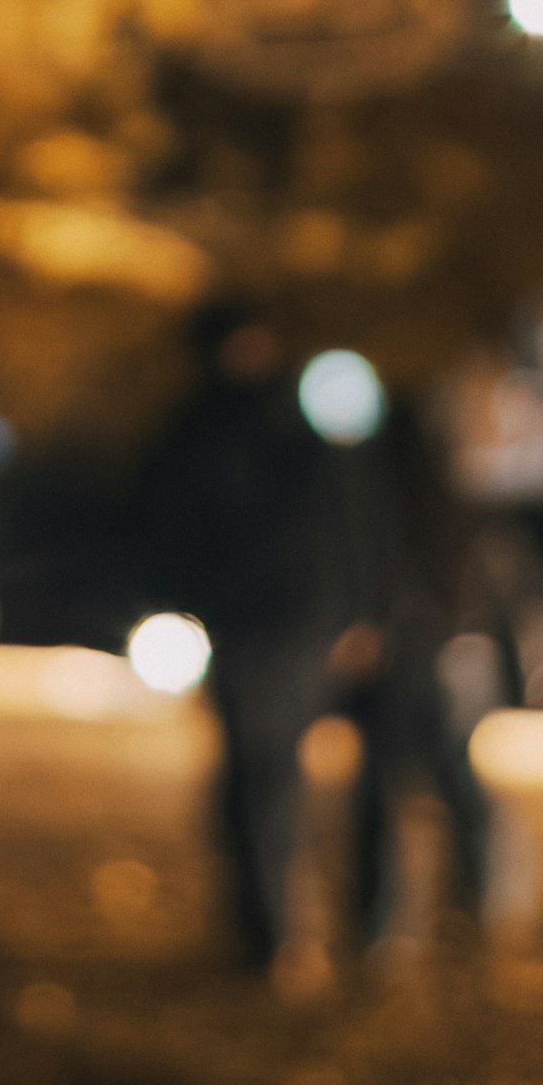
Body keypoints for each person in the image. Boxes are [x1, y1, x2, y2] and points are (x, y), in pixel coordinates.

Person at [138, 306, 389, 980]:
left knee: (272, 778)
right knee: (255, 779)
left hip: (294, 620)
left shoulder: (292, 422)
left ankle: (281, 934)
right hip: (247, 624)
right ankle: (267, 931)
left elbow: (346, 517)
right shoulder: (201, 427)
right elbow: (170, 527)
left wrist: (360, 614)